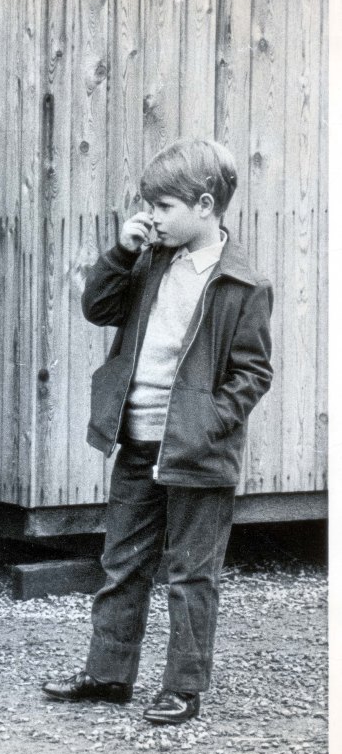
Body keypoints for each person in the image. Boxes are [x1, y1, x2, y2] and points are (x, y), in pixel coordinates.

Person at [42, 139, 273, 724]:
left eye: (162, 206)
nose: (150, 217)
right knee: (121, 563)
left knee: (192, 573)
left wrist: (210, 423)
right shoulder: (148, 260)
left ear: (203, 205)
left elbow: (253, 373)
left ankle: (183, 687)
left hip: (198, 454)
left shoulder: (241, 285)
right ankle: (108, 675)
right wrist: (120, 254)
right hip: (137, 441)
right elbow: (99, 308)